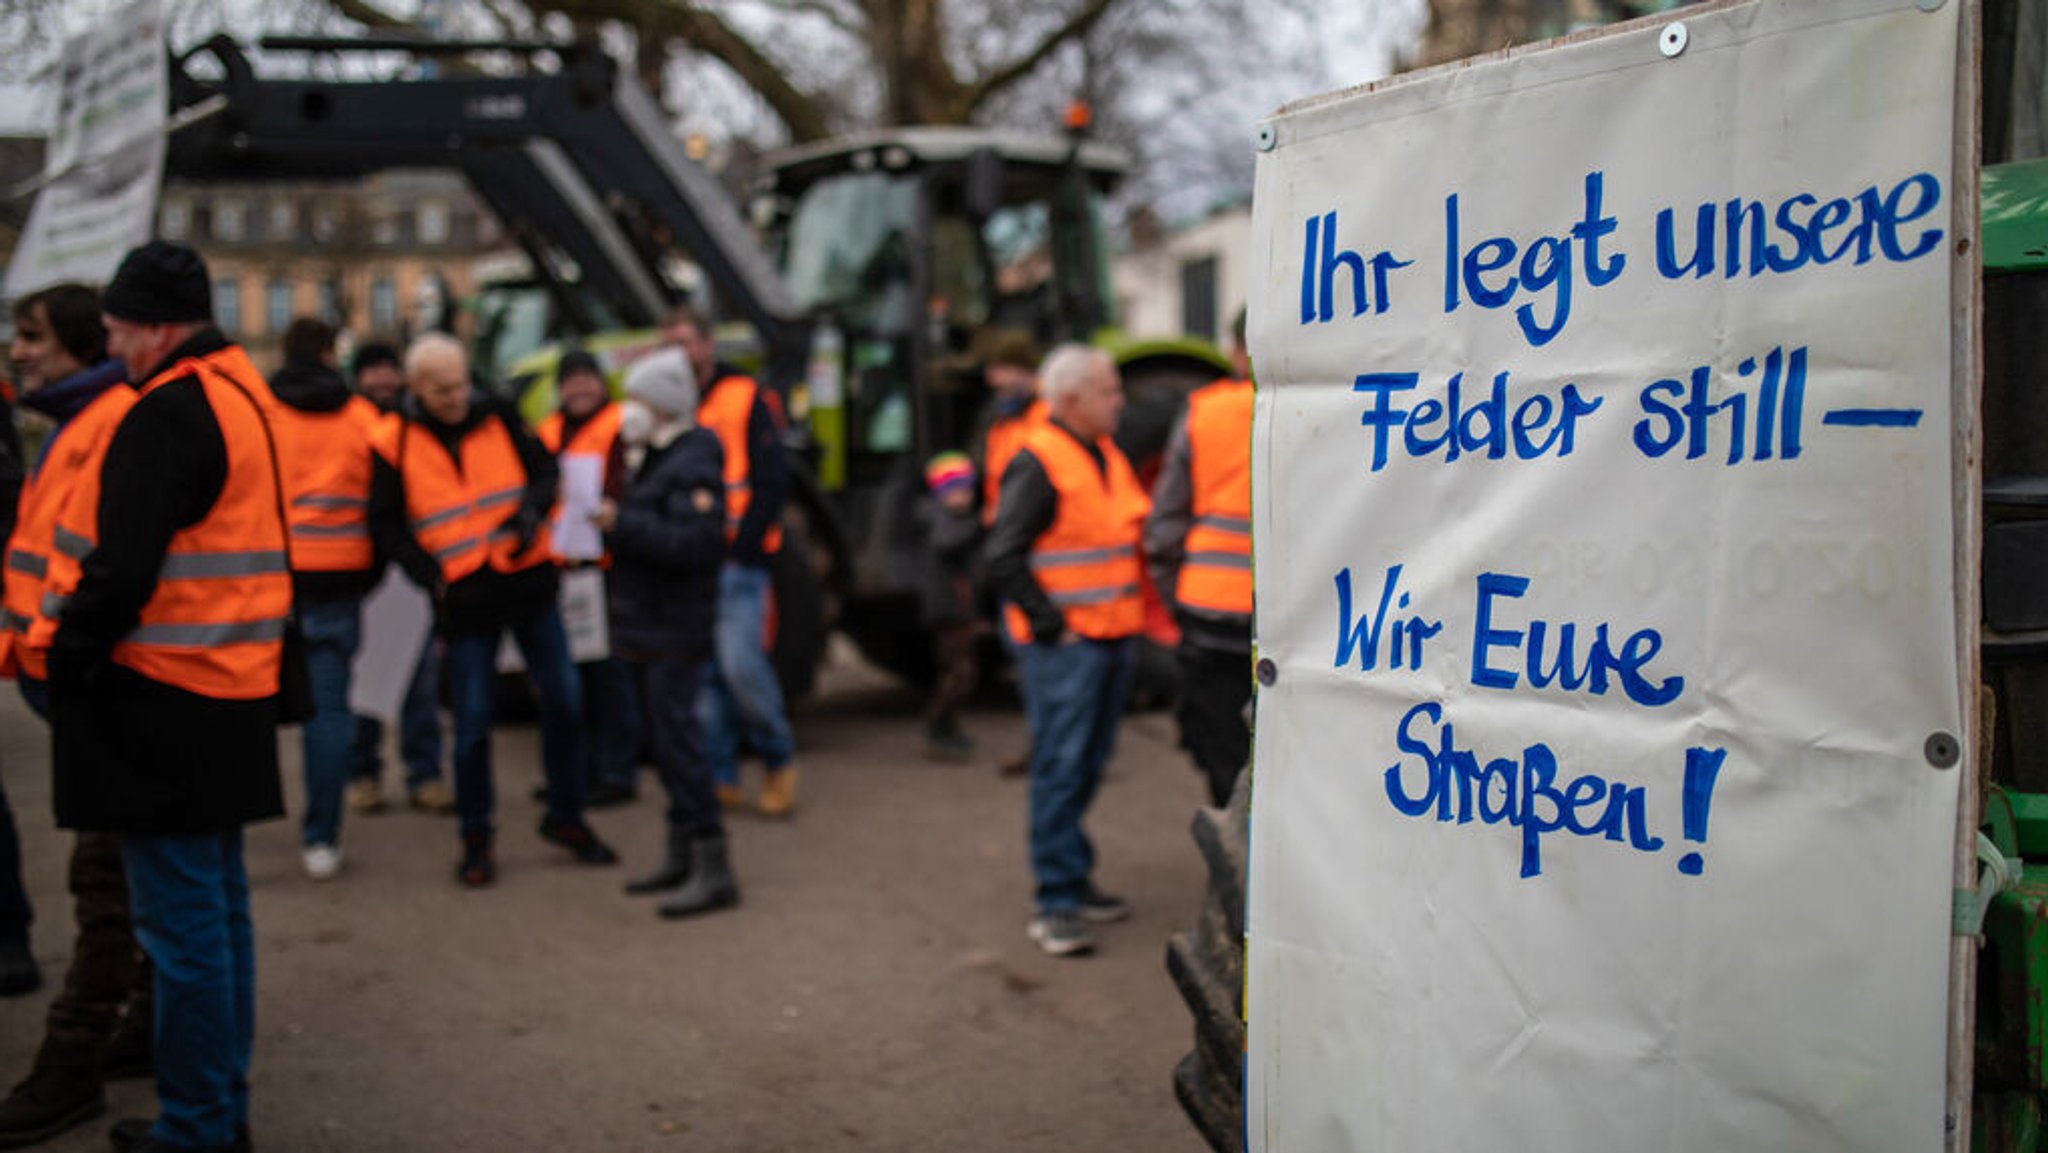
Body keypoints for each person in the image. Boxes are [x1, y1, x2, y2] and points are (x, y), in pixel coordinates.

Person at [45, 240, 288, 1152]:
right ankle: (218, 1109)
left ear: (153, 325)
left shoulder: (166, 411)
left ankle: (198, 1125)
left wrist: (68, 655)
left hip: (163, 700)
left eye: (115, 328)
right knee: (218, 919)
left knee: (185, 932)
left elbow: (120, 568)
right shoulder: (240, 396)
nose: (110, 344)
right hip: (230, 689)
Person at [369, 333, 617, 887]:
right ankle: (476, 837)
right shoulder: (393, 442)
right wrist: (427, 574)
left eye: (461, 383)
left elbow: (545, 472)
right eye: (442, 389)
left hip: (528, 581)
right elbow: (384, 522)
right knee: (474, 725)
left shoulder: (499, 413)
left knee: (565, 702)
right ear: (416, 389)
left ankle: (567, 816)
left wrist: (531, 511)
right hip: (465, 601)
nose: (457, 396)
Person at [0, 283, 157, 1150]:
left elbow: (102, 570)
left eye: (31, 336)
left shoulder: (104, 423)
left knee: (104, 884)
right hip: (73, 685)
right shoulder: (77, 419)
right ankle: (139, 1024)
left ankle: (71, 1063)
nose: (19, 350)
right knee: (123, 879)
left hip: (98, 688)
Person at [984, 345, 1149, 958]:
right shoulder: (1039, 460)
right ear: (1073, 400)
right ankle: (1055, 901)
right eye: (1110, 391)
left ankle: (1073, 879)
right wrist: (1052, 626)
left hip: (1110, 636)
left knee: (1086, 761)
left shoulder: (1105, 454)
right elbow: (1004, 554)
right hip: (1068, 648)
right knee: (1060, 765)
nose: (1120, 401)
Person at [597, 348, 736, 918]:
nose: (632, 410)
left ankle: (712, 864)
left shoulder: (693, 459)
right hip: (650, 624)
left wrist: (621, 523)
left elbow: (696, 544)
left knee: (679, 742)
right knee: (663, 741)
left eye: (641, 399)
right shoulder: (656, 457)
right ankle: (682, 853)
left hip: (674, 626)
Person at [663, 307, 799, 817]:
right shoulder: (673, 406)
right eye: (669, 343)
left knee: (742, 668)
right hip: (692, 562)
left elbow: (770, 479)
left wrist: (742, 546)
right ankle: (721, 775)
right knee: (706, 678)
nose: (678, 353)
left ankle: (777, 758)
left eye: (685, 342)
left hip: (737, 562)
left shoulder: (744, 398)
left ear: (707, 345)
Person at [266, 318, 386, 880]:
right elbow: (387, 502)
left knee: (240, 705)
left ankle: (229, 820)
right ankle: (320, 838)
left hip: (267, 577)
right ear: (332, 354)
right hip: (340, 578)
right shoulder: (362, 417)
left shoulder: (260, 413)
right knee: (328, 713)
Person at [1144, 313, 1255, 807]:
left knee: (1224, 753)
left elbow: (1163, 531)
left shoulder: (1203, 412)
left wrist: (1180, 601)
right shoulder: (1338, 407)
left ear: (1235, 351)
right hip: (1294, 623)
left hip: (1211, 618)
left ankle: (1238, 870)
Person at [343, 342, 454, 816]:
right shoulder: (349, 423)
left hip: (411, 571)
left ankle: (423, 773)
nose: (383, 381)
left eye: (390, 371)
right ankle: (363, 774)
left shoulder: (413, 427)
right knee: (368, 683)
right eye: (373, 372)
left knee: (419, 681)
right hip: (364, 573)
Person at [535, 347, 640, 807]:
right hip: (560, 567)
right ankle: (574, 774)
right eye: (570, 380)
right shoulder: (546, 432)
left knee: (609, 677)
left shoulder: (622, 425)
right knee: (568, 678)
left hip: (605, 569)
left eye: (587, 378)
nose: (579, 388)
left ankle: (615, 771)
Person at [970, 329, 1046, 777]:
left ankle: (1052, 748)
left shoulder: (1044, 418)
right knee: (1022, 654)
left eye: (1000, 369)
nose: (992, 378)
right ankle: (1042, 742)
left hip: (1034, 557)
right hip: (1009, 553)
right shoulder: (1003, 420)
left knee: (1038, 656)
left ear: (1024, 370)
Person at [915, 451, 982, 761]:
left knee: (959, 670)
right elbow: (947, 542)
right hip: (947, 609)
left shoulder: (953, 519)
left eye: (967, 490)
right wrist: (980, 524)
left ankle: (948, 727)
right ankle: (939, 725)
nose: (963, 497)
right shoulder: (940, 518)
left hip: (958, 608)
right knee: (960, 672)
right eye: (955, 490)